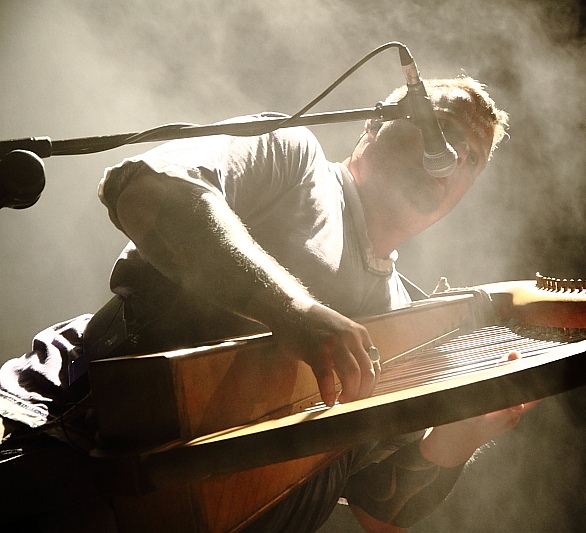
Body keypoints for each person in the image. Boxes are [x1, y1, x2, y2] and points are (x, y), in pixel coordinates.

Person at [2, 75, 529, 531]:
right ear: (373, 125)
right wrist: (293, 313)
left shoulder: (406, 316)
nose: (454, 156)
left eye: (473, 159)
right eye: (444, 130)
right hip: (54, 445)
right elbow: (144, 189)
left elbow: (378, 507)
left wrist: (469, 428)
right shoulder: (293, 156)